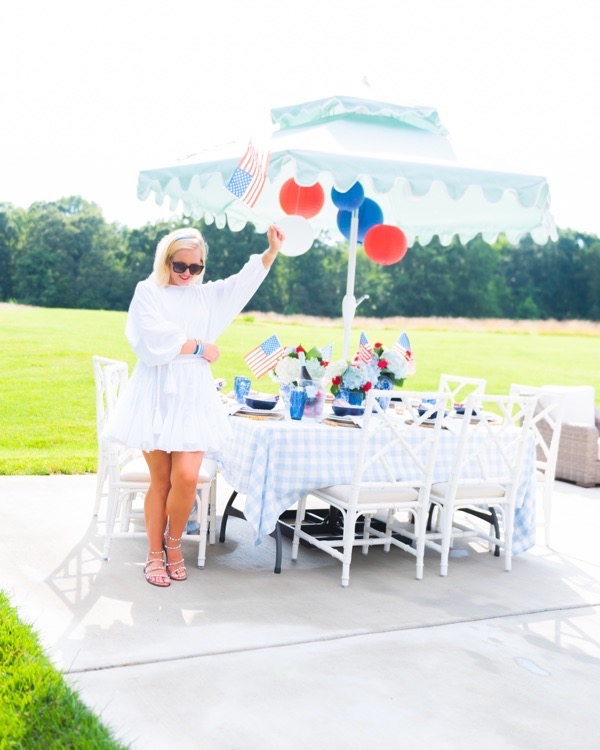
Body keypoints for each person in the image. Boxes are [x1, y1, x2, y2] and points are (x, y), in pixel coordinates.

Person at [104, 224, 284, 587]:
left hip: (194, 395)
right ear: (166, 260)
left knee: (185, 478)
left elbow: (240, 284)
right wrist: (199, 347)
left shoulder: (206, 296)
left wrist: (270, 253)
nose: (187, 274)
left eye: (195, 267)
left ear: (203, 267)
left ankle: (174, 545)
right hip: (155, 392)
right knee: (161, 481)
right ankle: (154, 553)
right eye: (179, 265)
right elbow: (150, 339)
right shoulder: (148, 291)